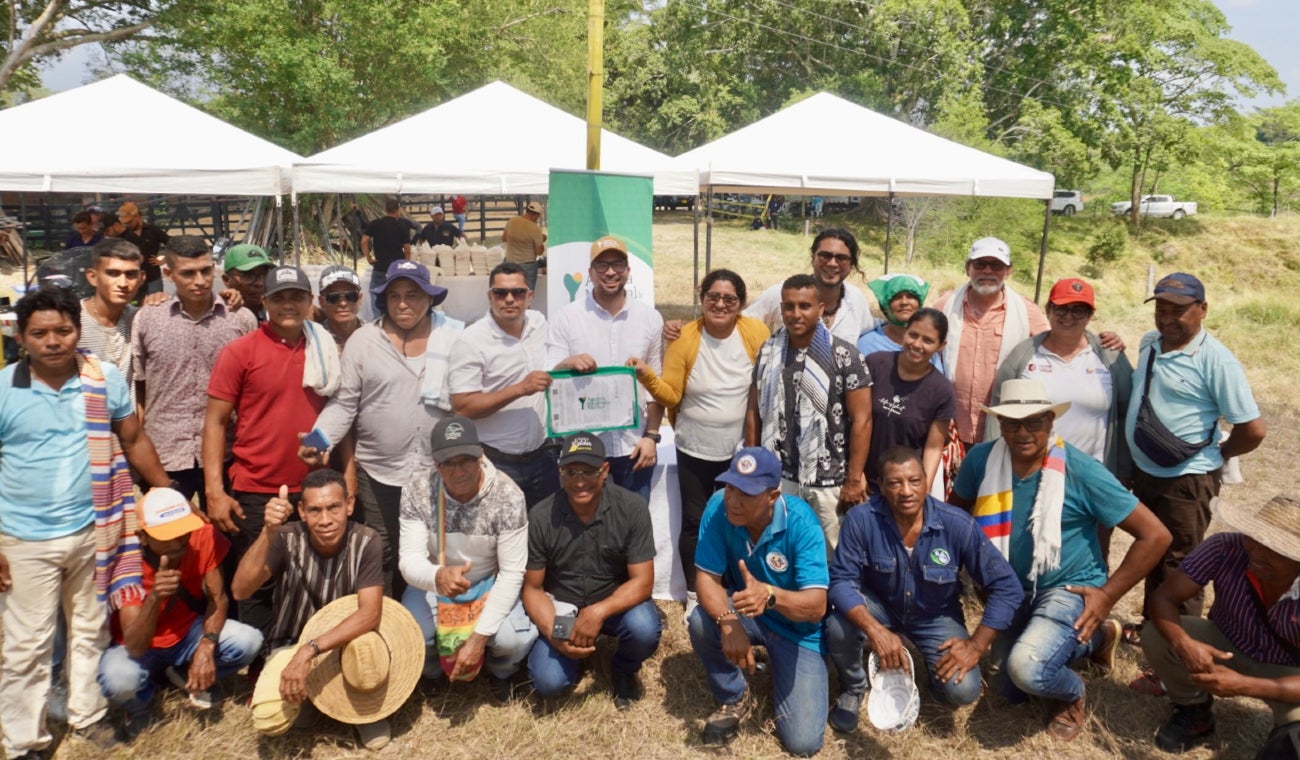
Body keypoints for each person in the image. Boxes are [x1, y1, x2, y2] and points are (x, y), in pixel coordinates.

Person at [0, 283, 172, 759]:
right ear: (21, 336)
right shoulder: (3, 390)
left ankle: (88, 715)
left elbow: (133, 439)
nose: (53, 341)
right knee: (27, 645)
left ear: (79, 331)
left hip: (96, 531)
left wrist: (165, 490)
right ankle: (23, 742)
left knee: (89, 629)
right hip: (23, 540)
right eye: (40, 333)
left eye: (63, 330)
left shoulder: (103, 378)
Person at [948, 378, 1171, 741]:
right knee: (1007, 688)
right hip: (1009, 589)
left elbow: (1157, 536)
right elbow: (953, 520)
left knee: (1029, 671)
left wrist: (1107, 596)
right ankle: (1097, 639)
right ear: (999, 424)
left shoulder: (1081, 470)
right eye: (1012, 422)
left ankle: (1072, 693)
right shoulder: (982, 459)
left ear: (1051, 421)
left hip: (1067, 588)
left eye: (1034, 421)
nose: (1023, 432)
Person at [825, 447, 1023, 732]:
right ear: (880, 485)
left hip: (936, 616)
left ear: (926, 480)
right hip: (881, 606)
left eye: (914, 481)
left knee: (962, 691)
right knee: (837, 626)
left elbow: (1007, 587)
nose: (906, 491)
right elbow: (842, 581)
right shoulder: (862, 519)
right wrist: (875, 630)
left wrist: (976, 646)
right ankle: (854, 687)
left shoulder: (956, 524)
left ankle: (931, 678)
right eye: (895, 483)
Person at [303, 259, 457, 598]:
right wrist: (318, 439)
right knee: (381, 549)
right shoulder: (364, 341)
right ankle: (385, 624)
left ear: (430, 298)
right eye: (395, 296)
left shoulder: (454, 336)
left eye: (413, 295)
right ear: (383, 300)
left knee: (432, 548)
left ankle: (426, 623)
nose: (403, 304)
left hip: (437, 471)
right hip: (379, 472)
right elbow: (344, 403)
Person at [628, 269, 769, 616]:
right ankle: (693, 593)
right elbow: (671, 393)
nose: (720, 304)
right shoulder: (685, 338)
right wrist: (646, 374)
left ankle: (735, 588)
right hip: (692, 447)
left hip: (739, 452)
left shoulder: (755, 333)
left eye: (729, 299)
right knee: (695, 522)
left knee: (736, 519)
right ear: (701, 297)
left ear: (741, 303)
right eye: (713, 297)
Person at [1124, 272, 1265, 620]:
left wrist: (1222, 454)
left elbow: (1253, 430)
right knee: (1152, 549)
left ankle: (1177, 654)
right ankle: (1152, 631)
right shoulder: (1149, 343)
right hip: (1145, 470)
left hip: (1187, 480)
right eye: (1161, 309)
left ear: (1202, 309)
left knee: (1180, 565)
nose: (1167, 318)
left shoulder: (1217, 360)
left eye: (1179, 310)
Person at [204, 266, 327, 638]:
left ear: (310, 302)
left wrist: (339, 470)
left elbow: (341, 415)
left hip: (314, 487)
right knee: (257, 579)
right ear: (265, 302)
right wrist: (214, 491)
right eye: (279, 297)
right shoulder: (240, 352)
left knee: (311, 575)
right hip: (257, 486)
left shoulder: (325, 350)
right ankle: (259, 660)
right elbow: (215, 422)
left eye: (296, 296)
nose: (288, 305)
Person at [233, 469, 395, 750]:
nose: (325, 520)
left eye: (334, 507)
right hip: (290, 645)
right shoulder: (284, 538)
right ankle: (320, 702)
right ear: (301, 511)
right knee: (269, 719)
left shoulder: (367, 541)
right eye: (315, 510)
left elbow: (369, 614)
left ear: (350, 505)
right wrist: (268, 532)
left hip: (347, 645)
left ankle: (363, 708)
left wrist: (309, 650)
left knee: (366, 649)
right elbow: (240, 590)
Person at [687, 447, 829, 756]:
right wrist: (728, 621)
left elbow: (816, 605)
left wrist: (770, 596)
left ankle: (790, 667)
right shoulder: (718, 507)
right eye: (731, 487)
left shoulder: (802, 524)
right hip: (746, 610)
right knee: (700, 620)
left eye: (746, 493)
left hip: (798, 630)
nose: (733, 500)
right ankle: (733, 694)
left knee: (803, 743)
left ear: (773, 496)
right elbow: (706, 580)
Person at [96, 488, 263, 738]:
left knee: (248, 641)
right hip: (140, 646)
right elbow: (135, 647)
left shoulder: (202, 535)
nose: (179, 541)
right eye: (167, 535)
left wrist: (207, 646)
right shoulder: (126, 560)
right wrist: (155, 597)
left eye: (183, 530)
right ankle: (139, 707)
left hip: (187, 633)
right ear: (142, 536)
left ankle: (183, 671)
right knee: (119, 678)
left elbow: (218, 599)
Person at [1142, 495, 1300, 754]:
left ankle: (1285, 735)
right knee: (1156, 635)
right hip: (1228, 644)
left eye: (1275, 549)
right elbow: (1163, 598)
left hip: (1289, 671)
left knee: (1292, 744)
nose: (1257, 552)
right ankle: (1194, 712)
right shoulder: (1225, 548)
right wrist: (1186, 645)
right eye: (1255, 538)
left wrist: (1245, 684)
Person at [399, 416, 536, 699]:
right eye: (448, 463)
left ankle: (501, 671)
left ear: (481, 455)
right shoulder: (417, 489)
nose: (458, 471)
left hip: (488, 582)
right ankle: (432, 672)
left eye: (466, 460)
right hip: (436, 581)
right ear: (435, 464)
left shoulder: (508, 495)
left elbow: (512, 573)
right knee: (412, 633)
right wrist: (437, 576)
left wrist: (479, 637)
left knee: (513, 640)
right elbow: (409, 560)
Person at [521, 432, 660, 710]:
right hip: (563, 608)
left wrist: (597, 612)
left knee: (644, 628)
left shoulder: (631, 508)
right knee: (548, 683)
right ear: (560, 472)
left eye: (589, 471)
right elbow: (533, 588)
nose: (580, 481)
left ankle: (622, 668)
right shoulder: (540, 515)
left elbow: (643, 583)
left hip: (612, 606)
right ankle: (573, 652)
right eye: (571, 472)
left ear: (605, 470)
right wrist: (554, 635)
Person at [745, 273, 871, 552]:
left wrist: (853, 479)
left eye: (805, 306)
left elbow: (862, 420)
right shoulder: (769, 350)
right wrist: (752, 465)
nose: (795, 313)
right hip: (778, 473)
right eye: (789, 306)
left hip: (828, 480)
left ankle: (828, 599)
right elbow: (753, 410)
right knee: (780, 548)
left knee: (829, 554)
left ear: (820, 309)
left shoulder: (845, 355)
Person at [132, 236, 257, 506]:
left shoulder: (241, 319)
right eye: (188, 273)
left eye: (206, 271)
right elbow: (140, 387)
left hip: (227, 452)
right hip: (165, 453)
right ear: (168, 274)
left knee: (231, 537)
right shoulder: (148, 318)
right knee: (168, 541)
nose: (199, 281)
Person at [548, 235, 665, 503]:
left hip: (634, 448)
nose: (610, 272)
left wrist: (651, 437)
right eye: (601, 265)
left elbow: (655, 386)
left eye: (618, 264)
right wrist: (568, 363)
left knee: (631, 529)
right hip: (583, 448)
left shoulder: (650, 318)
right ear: (590, 272)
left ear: (628, 271)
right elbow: (548, 375)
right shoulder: (566, 318)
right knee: (584, 533)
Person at [989, 277, 1134, 480]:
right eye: (1061, 309)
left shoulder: (1110, 357)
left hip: (1093, 476)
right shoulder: (1023, 355)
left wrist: (1124, 472)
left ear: (1090, 315)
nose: (1069, 316)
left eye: (1078, 310)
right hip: (1031, 474)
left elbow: (1128, 414)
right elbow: (998, 412)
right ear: (1048, 310)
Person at [449, 262, 557, 509]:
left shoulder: (539, 323)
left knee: (544, 536)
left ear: (529, 297)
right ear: (489, 297)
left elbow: (548, 371)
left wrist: (568, 365)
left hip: (543, 456)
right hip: (497, 460)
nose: (509, 299)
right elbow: (462, 407)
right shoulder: (470, 341)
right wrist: (520, 388)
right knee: (499, 539)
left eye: (518, 292)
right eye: (500, 293)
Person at [933, 237, 1049, 448]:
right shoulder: (945, 306)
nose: (988, 271)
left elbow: (1054, 348)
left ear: (1009, 270)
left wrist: (1101, 341)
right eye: (980, 264)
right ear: (968, 268)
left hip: (1007, 428)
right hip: (950, 428)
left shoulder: (1026, 311)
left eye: (996, 265)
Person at [861, 308, 955, 494]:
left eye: (928, 340)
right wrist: (856, 475)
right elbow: (856, 421)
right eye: (913, 335)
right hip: (863, 481)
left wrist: (921, 493)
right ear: (904, 332)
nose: (917, 345)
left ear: (941, 346)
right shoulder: (875, 364)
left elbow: (933, 447)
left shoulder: (942, 391)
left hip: (904, 489)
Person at [741, 228, 876, 343]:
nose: (832, 263)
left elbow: (870, 336)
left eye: (841, 258)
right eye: (825, 256)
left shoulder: (857, 299)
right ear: (813, 258)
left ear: (851, 264)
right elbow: (742, 327)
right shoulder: (782, 293)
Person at [78, 237, 143, 398]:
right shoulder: (71, 322)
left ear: (141, 278)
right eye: (112, 273)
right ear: (93, 277)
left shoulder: (140, 319)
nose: (123, 283)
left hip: (130, 420)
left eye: (131, 274)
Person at [857, 273, 940, 370]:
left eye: (911, 296)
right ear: (885, 305)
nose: (904, 302)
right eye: (896, 297)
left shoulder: (928, 343)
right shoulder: (867, 344)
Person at [116, 201, 169, 295]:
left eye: (129, 222)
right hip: (132, 278)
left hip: (152, 276)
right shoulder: (122, 235)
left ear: (138, 217)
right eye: (124, 223)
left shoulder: (152, 230)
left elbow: (172, 243)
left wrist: (164, 259)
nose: (127, 225)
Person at [362, 198, 412, 292]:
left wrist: (368, 257)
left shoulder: (375, 224)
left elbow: (364, 241)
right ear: (397, 211)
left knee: (376, 297)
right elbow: (407, 250)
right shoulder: (402, 226)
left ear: (385, 209)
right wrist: (405, 264)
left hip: (380, 267)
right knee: (396, 295)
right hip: (397, 268)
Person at [220, 243, 276, 321]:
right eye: (248, 275)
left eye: (264, 274)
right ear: (226, 279)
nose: (259, 283)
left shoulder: (278, 314)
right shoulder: (220, 317)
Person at [315, 265, 363, 350]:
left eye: (350, 296)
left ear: (360, 298)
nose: (343, 303)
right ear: (321, 302)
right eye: (333, 297)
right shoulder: (314, 339)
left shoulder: (375, 336)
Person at [501, 201, 546, 290]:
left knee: (511, 292)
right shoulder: (535, 229)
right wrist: (542, 240)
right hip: (527, 266)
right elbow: (539, 252)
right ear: (535, 215)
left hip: (510, 263)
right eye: (538, 216)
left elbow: (504, 238)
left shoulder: (512, 221)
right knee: (526, 294)